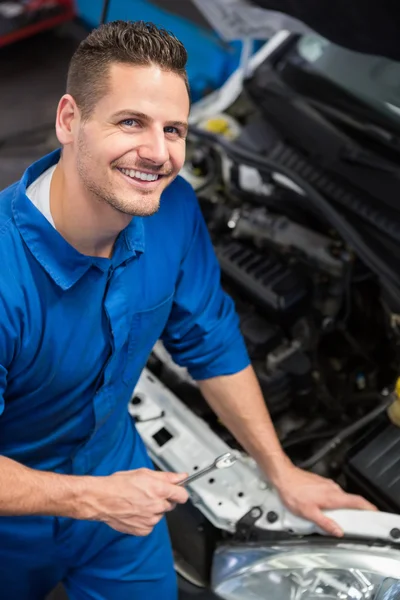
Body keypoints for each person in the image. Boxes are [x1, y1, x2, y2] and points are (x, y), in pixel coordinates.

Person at [0, 20, 375, 600]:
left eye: (173, 128)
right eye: (131, 122)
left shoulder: (170, 209)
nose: (158, 153)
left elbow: (211, 340)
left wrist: (281, 470)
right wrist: (91, 499)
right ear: (70, 119)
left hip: (117, 484)